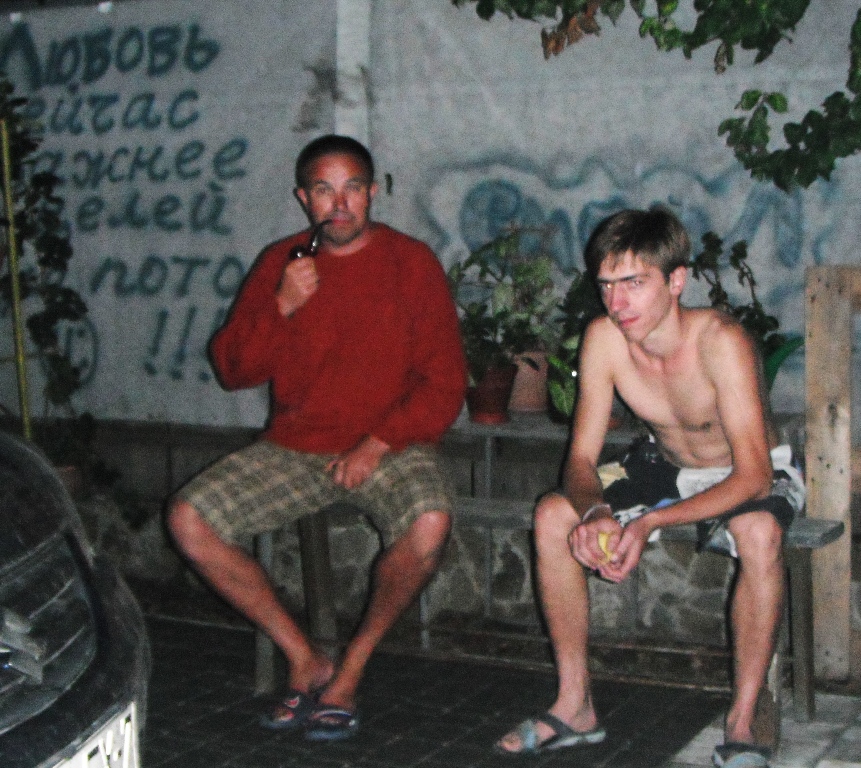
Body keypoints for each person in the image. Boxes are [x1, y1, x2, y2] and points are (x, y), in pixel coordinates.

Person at [167, 134, 467, 742]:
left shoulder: (411, 263)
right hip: (295, 445)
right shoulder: (282, 264)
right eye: (324, 190)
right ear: (304, 198)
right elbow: (233, 369)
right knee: (188, 521)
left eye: (353, 188)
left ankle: (351, 667)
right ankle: (305, 659)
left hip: (390, 444)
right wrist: (281, 304)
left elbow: (445, 382)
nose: (340, 204)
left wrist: (376, 444)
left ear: (373, 192)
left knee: (429, 523)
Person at [495, 208, 804, 768]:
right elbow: (580, 459)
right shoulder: (604, 340)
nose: (617, 303)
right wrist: (594, 513)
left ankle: (743, 718)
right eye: (606, 285)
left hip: (750, 467)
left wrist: (650, 522)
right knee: (553, 515)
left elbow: (754, 475)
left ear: (676, 280)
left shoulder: (721, 341)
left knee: (758, 532)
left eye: (634, 283)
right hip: (665, 463)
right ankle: (574, 706)